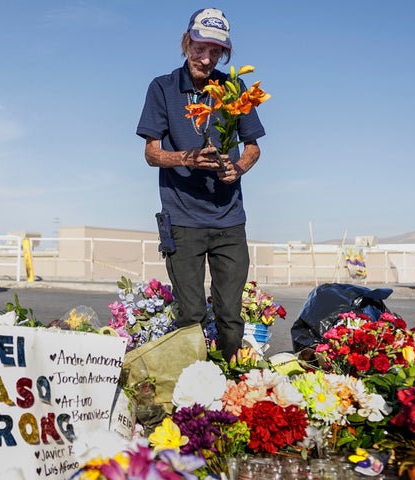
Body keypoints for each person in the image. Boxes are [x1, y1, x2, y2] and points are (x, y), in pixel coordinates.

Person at [136, 7, 266, 362]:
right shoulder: (162, 87)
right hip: (182, 221)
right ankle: (190, 390)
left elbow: (253, 146)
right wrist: (187, 158)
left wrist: (238, 168)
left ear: (223, 53)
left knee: (230, 318)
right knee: (191, 316)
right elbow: (151, 153)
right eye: (199, 48)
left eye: (215, 51)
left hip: (229, 221)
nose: (206, 58)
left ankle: (225, 384)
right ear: (186, 42)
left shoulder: (234, 88)